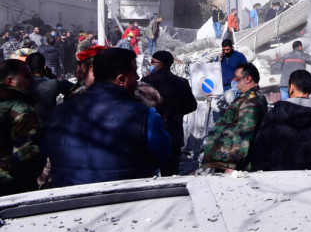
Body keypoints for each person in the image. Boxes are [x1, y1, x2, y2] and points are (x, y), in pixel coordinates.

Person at [46, 48, 170, 187]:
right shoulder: (146, 116)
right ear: (121, 80)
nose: (137, 78)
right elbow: (162, 156)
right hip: (126, 199)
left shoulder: (57, 113)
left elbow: (51, 157)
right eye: (134, 73)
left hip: (69, 200)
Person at [250, 70, 311, 171]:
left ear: (291, 87)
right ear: (310, 89)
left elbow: (260, 154)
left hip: (278, 181)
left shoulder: (274, 115)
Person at [201, 63, 268, 171]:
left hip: (235, 164)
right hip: (226, 159)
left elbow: (244, 134)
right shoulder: (245, 98)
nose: (233, 80)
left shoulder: (251, 101)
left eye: (236, 77)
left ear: (248, 79)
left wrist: (233, 165)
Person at [141, 51, 198, 176]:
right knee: (171, 174)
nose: (150, 64)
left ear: (160, 65)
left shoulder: (147, 81)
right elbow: (192, 105)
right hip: (174, 133)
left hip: (151, 133)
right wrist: (176, 113)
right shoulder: (181, 82)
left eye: (152, 62)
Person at [0, 59, 44, 196]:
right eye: (27, 76)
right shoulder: (20, 108)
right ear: (10, 81)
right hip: (9, 186)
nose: (32, 81)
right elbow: (25, 156)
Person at [26, 53, 73, 127]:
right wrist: (52, 76)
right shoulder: (54, 84)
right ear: (45, 67)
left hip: (26, 128)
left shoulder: (22, 84)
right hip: (47, 127)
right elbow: (77, 89)